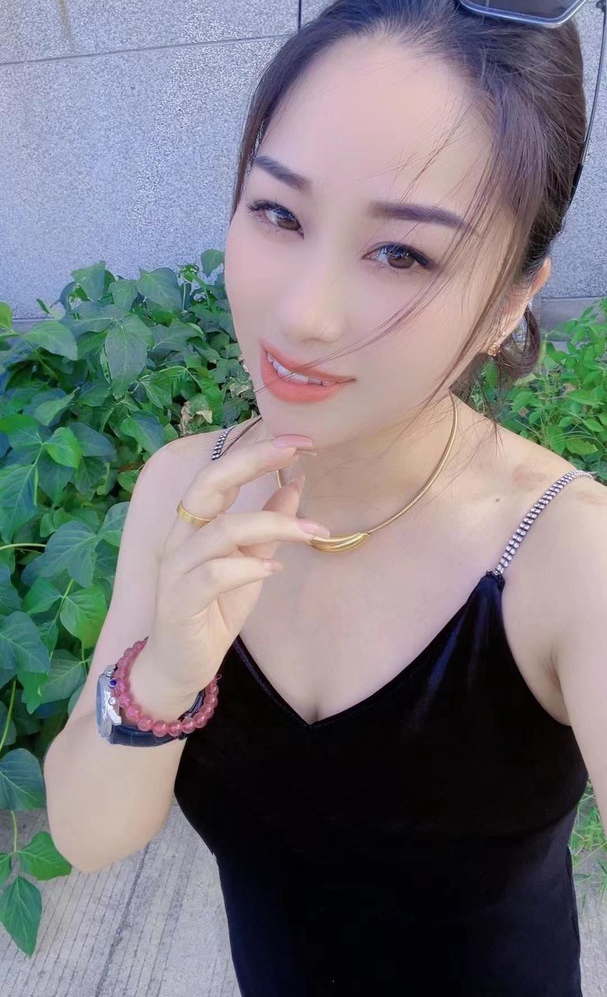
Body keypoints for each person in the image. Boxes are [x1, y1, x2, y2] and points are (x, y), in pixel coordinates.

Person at [43, 1, 607, 994]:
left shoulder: (565, 558)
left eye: (402, 254)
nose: (302, 313)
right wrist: (164, 672)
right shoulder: (185, 491)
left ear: (512, 299)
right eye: (278, 212)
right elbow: (88, 835)